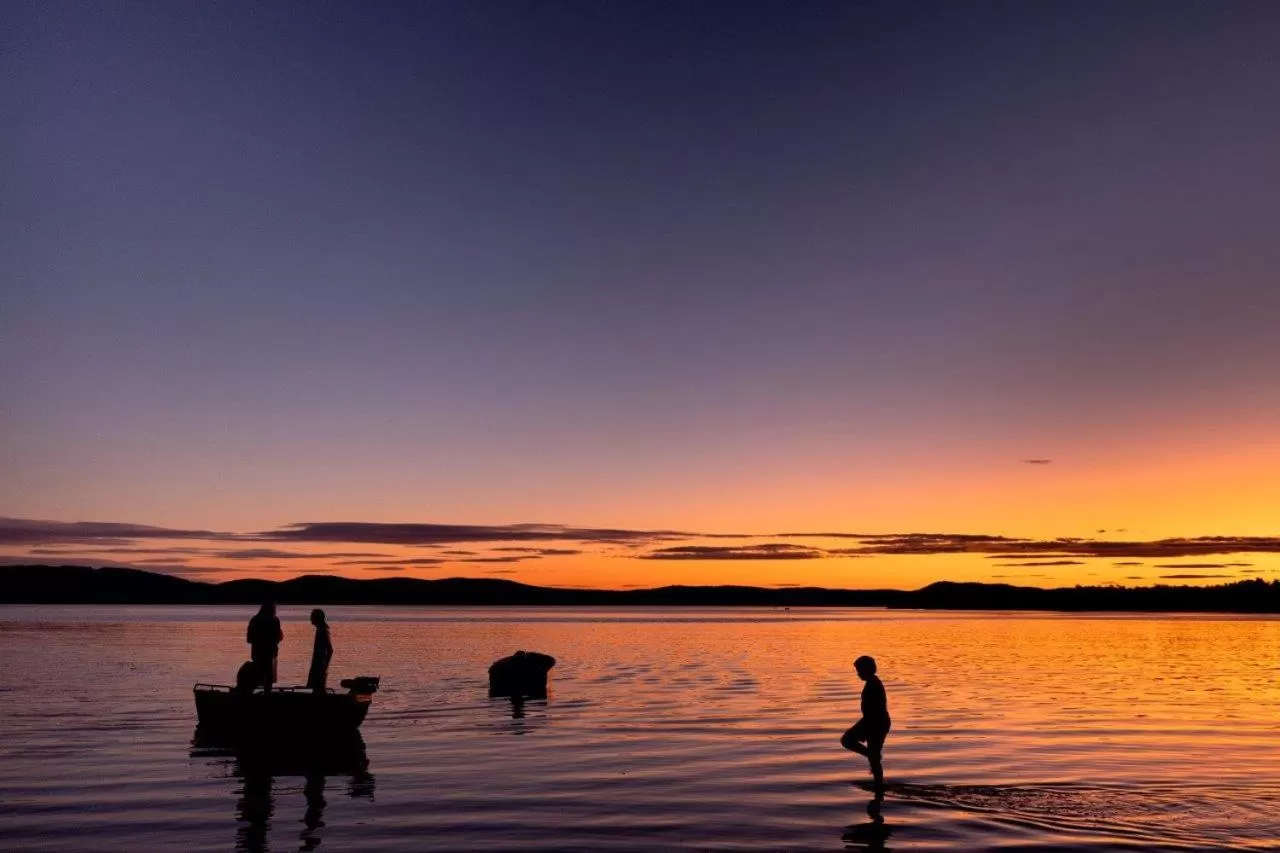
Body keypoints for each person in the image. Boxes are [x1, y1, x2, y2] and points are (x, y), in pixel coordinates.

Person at [841, 655, 891, 787]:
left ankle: (878, 784)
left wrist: (869, 727)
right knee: (873, 758)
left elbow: (876, 708)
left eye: (859, 670)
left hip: (876, 722)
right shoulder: (873, 682)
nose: (858, 674)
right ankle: (878, 785)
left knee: (847, 740)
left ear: (867, 670)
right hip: (875, 721)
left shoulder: (873, 684)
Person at [246, 603, 283, 693]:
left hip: (257, 653)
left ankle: (249, 693)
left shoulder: (254, 620)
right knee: (269, 676)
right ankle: (267, 694)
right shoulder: (274, 620)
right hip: (270, 653)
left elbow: (249, 639)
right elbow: (278, 637)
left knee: (257, 675)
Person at [307, 608, 333, 693]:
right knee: (316, 688)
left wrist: (325, 665)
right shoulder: (320, 629)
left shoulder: (322, 630)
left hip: (320, 665)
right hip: (317, 664)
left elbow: (330, 649)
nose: (310, 619)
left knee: (319, 689)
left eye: (312, 617)